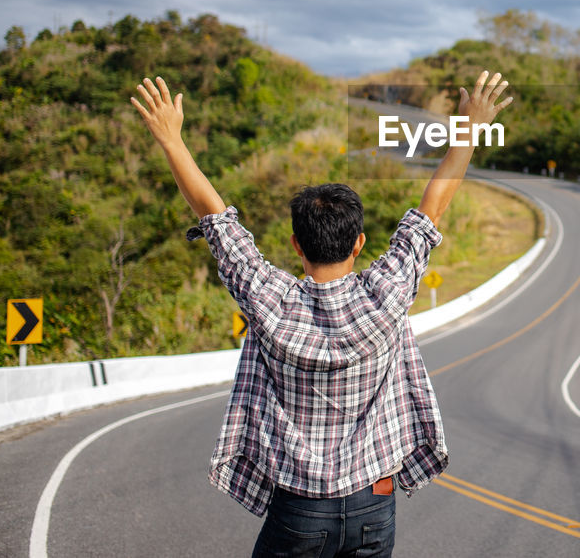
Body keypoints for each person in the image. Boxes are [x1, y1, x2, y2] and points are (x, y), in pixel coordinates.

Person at [131, 70, 512, 558]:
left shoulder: (269, 299)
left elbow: (214, 216)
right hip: (375, 502)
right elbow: (432, 207)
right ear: (359, 243)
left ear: (295, 245)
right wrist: (469, 127)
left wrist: (170, 139)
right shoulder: (388, 292)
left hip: (299, 508)